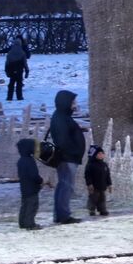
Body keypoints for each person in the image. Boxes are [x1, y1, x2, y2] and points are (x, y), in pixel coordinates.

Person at [49, 89, 86, 224]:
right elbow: (63, 140)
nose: (75, 104)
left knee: (64, 186)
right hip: (67, 158)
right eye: (73, 101)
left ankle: (60, 214)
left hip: (68, 157)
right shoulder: (61, 118)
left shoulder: (62, 116)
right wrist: (75, 151)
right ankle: (63, 216)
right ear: (66, 102)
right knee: (66, 186)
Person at [16, 137, 43, 230]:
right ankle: (30, 223)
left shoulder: (21, 161)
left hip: (24, 188)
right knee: (32, 206)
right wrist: (40, 180)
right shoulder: (30, 161)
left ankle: (22, 222)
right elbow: (34, 175)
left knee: (24, 206)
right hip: (32, 188)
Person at [84, 145, 112, 217]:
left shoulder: (104, 165)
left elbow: (108, 175)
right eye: (99, 154)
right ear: (94, 155)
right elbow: (87, 175)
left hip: (102, 186)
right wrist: (89, 184)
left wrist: (109, 184)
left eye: (102, 153)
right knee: (93, 198)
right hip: (94, 186)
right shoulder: (90, 165)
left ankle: (102, 209)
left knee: (102, 199)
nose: (101, 155)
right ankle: (91, 210)